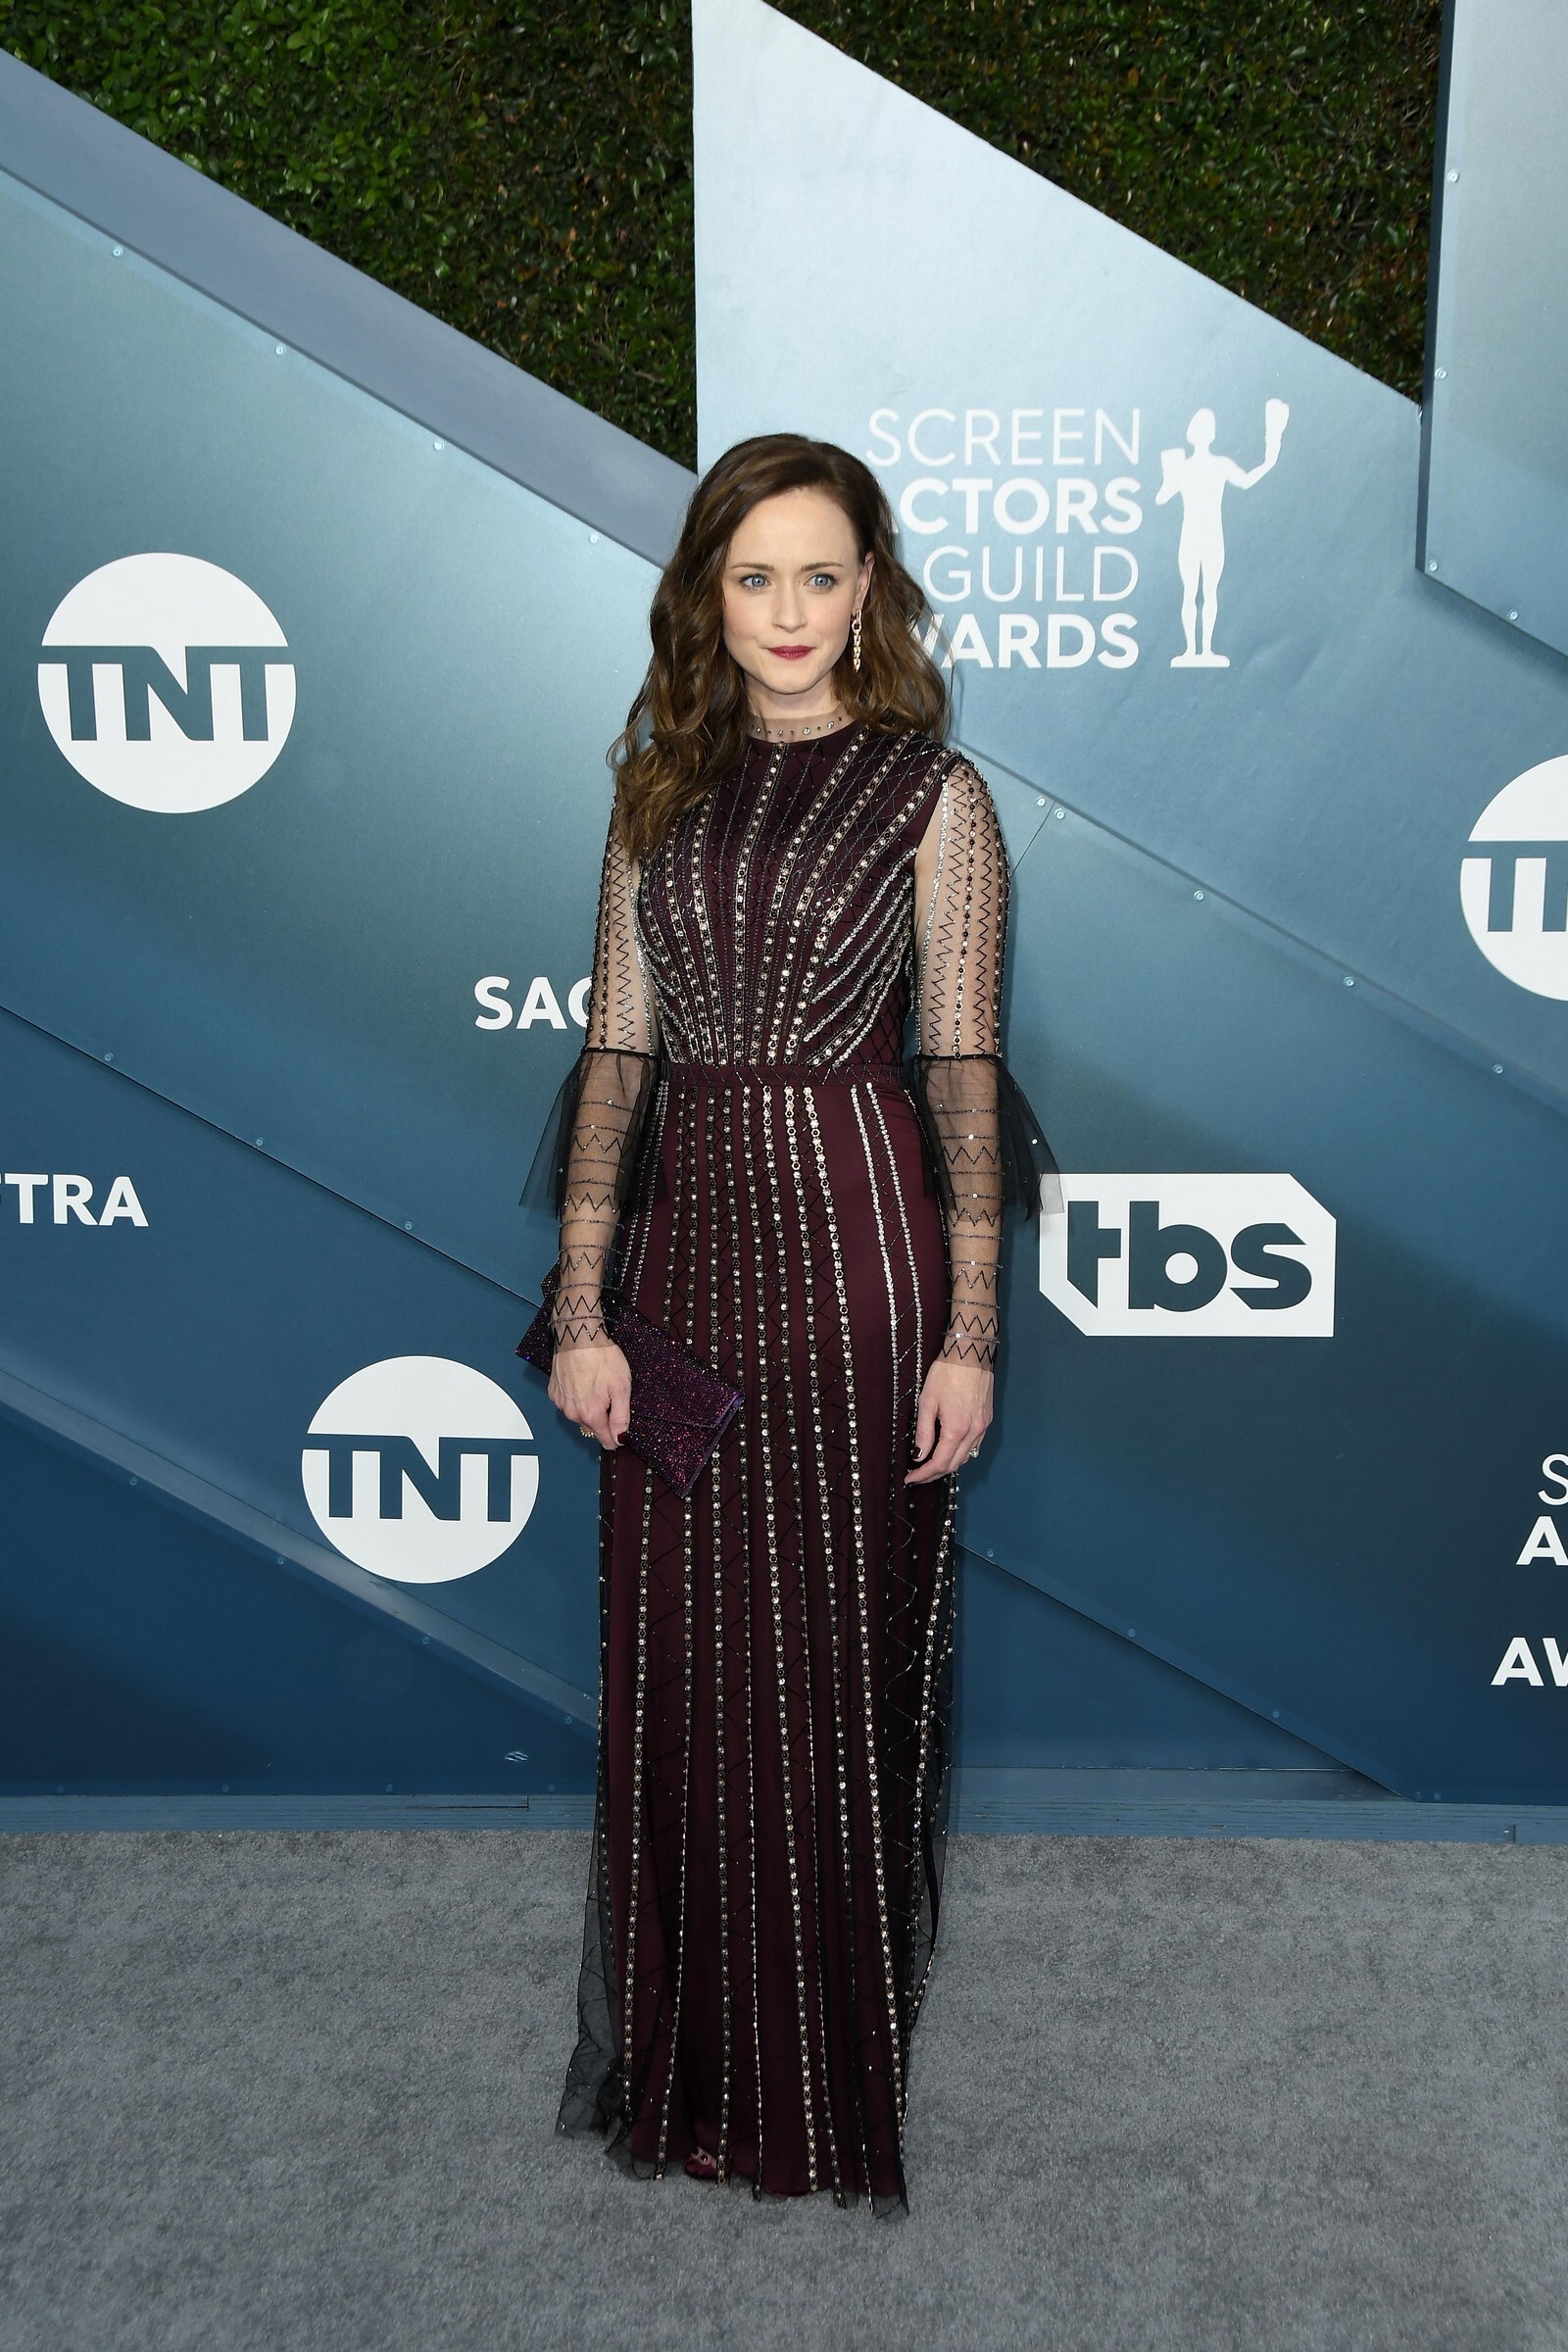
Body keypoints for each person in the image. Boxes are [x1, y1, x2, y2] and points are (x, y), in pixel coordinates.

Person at [527, 432, 1054, 2215]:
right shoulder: (655, 793)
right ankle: (688, 2071)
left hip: (857, 1263)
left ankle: (818, 2096)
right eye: (754, 576)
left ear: (868, 589)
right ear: (707, 593)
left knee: (830, 1672)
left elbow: (961, 1073)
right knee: (684, 1673)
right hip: (684, 1268)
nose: (789, 610)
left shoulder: (935, 797)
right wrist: (582, 1304)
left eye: (821, 574)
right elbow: (618, 1059)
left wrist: (970, 1336)